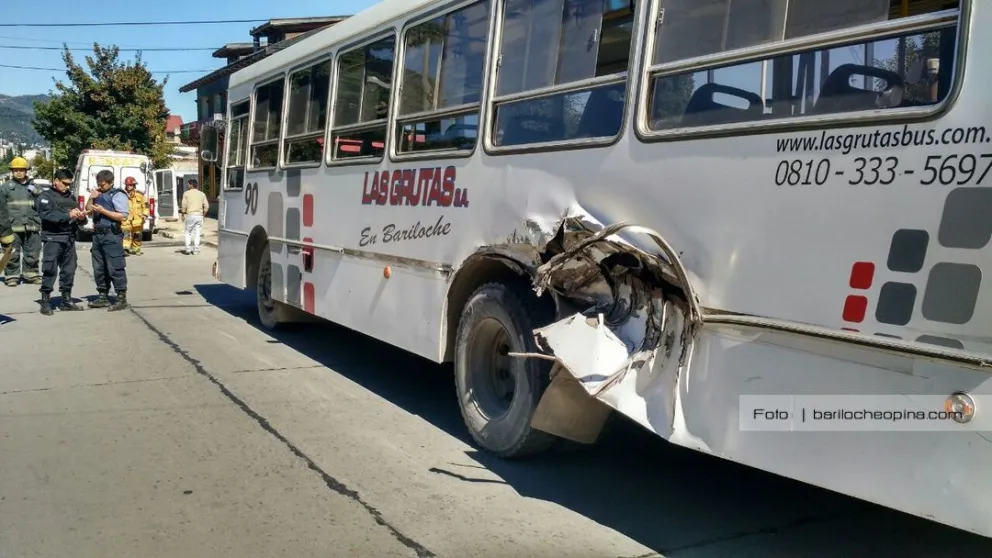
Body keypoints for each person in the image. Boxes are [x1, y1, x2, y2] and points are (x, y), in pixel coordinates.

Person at [36, 169, 87, 315]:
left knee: (69, 270)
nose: (67, 186)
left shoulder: (70, 197)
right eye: (64, 183)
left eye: (69, 184)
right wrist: (68, 214)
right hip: (53, 237)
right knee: (49, 269)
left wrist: (81, 217)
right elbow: (46, 215)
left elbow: (78, 217)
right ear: (56, 180)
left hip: (69, 238)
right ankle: (45, 301)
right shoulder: (45, 197)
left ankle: (66, 299)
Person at [84, 169, 130, 311]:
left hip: (111, 235)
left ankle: (121, 297)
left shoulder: (118, 195)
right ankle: (102, 296)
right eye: (99, 184)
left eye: (103, 184)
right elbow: (88, 210)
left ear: (111, 183)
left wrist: (103, 211)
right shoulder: (97, 193)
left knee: (115, 266)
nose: (100, 186)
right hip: (97, 235)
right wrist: (92, 197)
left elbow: (123, 216)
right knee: (99, 267)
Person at [0, 156, 43, 287]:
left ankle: (31, 275)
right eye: (15, 170)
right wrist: (3, 229)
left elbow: (42, 204)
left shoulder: (34, 187)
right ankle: (12, 276)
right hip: (12, 227)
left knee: (33, 252)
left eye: (21, 170)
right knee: (12, 253)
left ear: (26, 171)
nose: (18, 172)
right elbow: (1, 210)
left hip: (32, 226)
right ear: (12, 171)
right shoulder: (5, 188)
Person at [180, 177, 209, 255]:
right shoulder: (202, 194)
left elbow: (184, 205)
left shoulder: (186, 193)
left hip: (190, 215)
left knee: (188, 232)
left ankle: (188, 248)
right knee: (197, 233)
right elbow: (206, 206)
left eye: (188, 184)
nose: (187, 185)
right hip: (199, 216)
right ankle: (196, 249)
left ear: (191, 185)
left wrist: (182, 214)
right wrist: (203, 215)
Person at [123, 176, 149, 256]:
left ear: (134, 185)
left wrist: (145, 214)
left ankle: (136, 249)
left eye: (130, 185)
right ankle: (125, 249)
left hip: (138, 219)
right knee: (126, 234)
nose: (128, 186)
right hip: (126, 219)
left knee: (137, 235)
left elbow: (146, 206)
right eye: (127, 185)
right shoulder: (122, 194)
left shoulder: (140, 195)